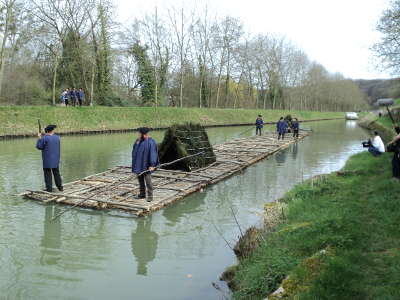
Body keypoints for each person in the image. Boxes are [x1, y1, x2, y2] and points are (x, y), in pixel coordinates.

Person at [131, 127, 159, 202]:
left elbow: (153, 154)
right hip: (139, 164)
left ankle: (150, 196)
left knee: (148, 180)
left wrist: (152, 165)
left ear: (143, 134)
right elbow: (134, 151)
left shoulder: (150, 142)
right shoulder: (138, 141)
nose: (138, 134)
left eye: (139, 133)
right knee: (140, 180)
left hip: (146, 165)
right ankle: (142, 194)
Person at [36, 125, 63, 193]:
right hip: (56, 159)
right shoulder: (57, 137)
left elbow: (39, 147)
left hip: (47, 160)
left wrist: (39, 138)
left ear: (46, 131)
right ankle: (60, 188)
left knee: (47, 175)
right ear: (52, 130)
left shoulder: (44, 138)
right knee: (57, 174)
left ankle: (49, 190)